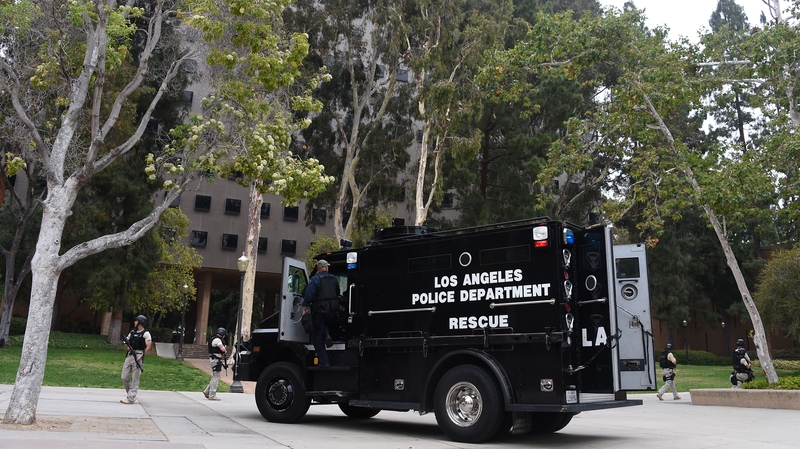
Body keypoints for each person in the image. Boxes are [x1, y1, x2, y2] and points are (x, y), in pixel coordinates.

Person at [302, 259, 340, 367]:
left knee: (316, 336)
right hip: (333, 310)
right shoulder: (333, 279)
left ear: (318, 269)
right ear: (326, 268)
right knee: (325, 324)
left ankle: (324, 361)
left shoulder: (315, 279)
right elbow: (337, 291)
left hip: (321, 310)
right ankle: (327, 334)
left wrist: (305, 307)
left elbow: (309, 294)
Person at [121, 315, 152, 404]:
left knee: (135, 378)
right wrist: (127, 347)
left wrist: (142, 355)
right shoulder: (132, 332)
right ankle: (132, 394)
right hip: (130, 355)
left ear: (140, 322)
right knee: (124, 377)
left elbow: (148, 346)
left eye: (136, 321)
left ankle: (131, 398)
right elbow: (125, 342)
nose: (134, 322)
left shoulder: (146, 333)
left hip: (138, 356)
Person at [203, 327, 228, 401]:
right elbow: (223, 349)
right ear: (223, 334)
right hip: (216, 360)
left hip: (215, 360)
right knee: (216, 377)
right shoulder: (217, 340)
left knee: (215, 376)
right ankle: (212, 395)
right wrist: (224, 348)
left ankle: (207, 391)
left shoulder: (214, 339)